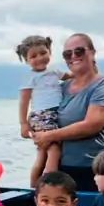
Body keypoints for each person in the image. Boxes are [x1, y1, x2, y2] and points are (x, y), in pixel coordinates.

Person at [32, 33, 104, 192]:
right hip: (60, 170)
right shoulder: (61, 87)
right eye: (67, 54)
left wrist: (48, 136)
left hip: (93, 171)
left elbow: (91, 125)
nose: (73, 56)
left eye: (79, 51)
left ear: (92, 52)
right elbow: (44, 113)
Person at [16, 35, 71, 187]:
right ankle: (48, 186)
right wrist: (23, 124)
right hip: (42, 115)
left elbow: (74, 76)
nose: (39, 58)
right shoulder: (30, 77)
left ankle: (34, 189)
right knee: (54, 151)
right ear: (26, 60)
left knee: (42, 154)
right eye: (33, 56)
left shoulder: (55, 71)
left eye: (43, 53)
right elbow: (24, 101)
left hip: (54, 114)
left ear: (50, 52)